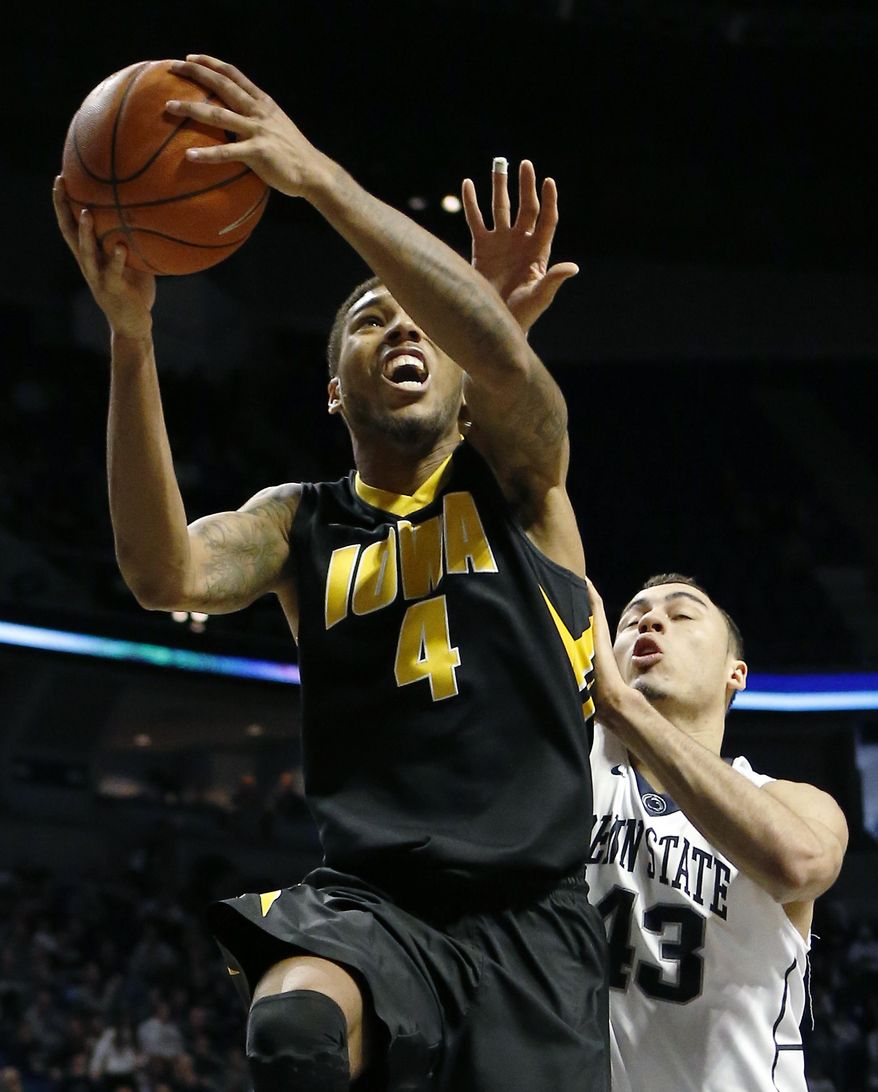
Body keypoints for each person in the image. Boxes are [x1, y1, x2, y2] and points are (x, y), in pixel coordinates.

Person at [53, 55, 608, 1092]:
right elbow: (157, 570)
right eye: (368, 319)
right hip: (370, 907)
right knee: (296, 1024)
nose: (399, 325)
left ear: (464, 385)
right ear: (329, 391)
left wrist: (315, 178)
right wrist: (132, 340)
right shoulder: (294, 524)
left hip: (532, 926)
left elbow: (496, 355)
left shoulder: (523, 481)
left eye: (418, 321)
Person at [584, 572, 848, 1092]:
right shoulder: (570, 775)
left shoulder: (788, 800)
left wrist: (624, 708)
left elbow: (799, 866)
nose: (651, 620)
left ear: (736, 674)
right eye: (631, 619)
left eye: (681, 616)